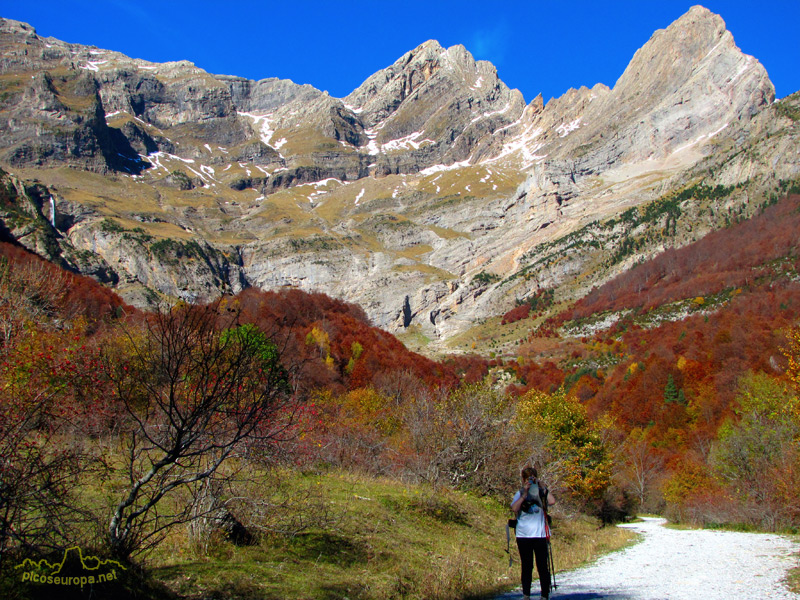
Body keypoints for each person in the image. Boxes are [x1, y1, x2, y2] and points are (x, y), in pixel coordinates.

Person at [511, 466, 556, 600]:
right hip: (523, 535)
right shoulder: (520, 493)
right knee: (527, 566)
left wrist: (543, 487)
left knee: (542, 566)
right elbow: (514, 508)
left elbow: (552, 501)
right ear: (523, 480)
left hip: (540, 534)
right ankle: (526, 595)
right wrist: (524, 494)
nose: (529, 481)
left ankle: (544, 595)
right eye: (527, 479)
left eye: (532, 478)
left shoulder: (541, 492)